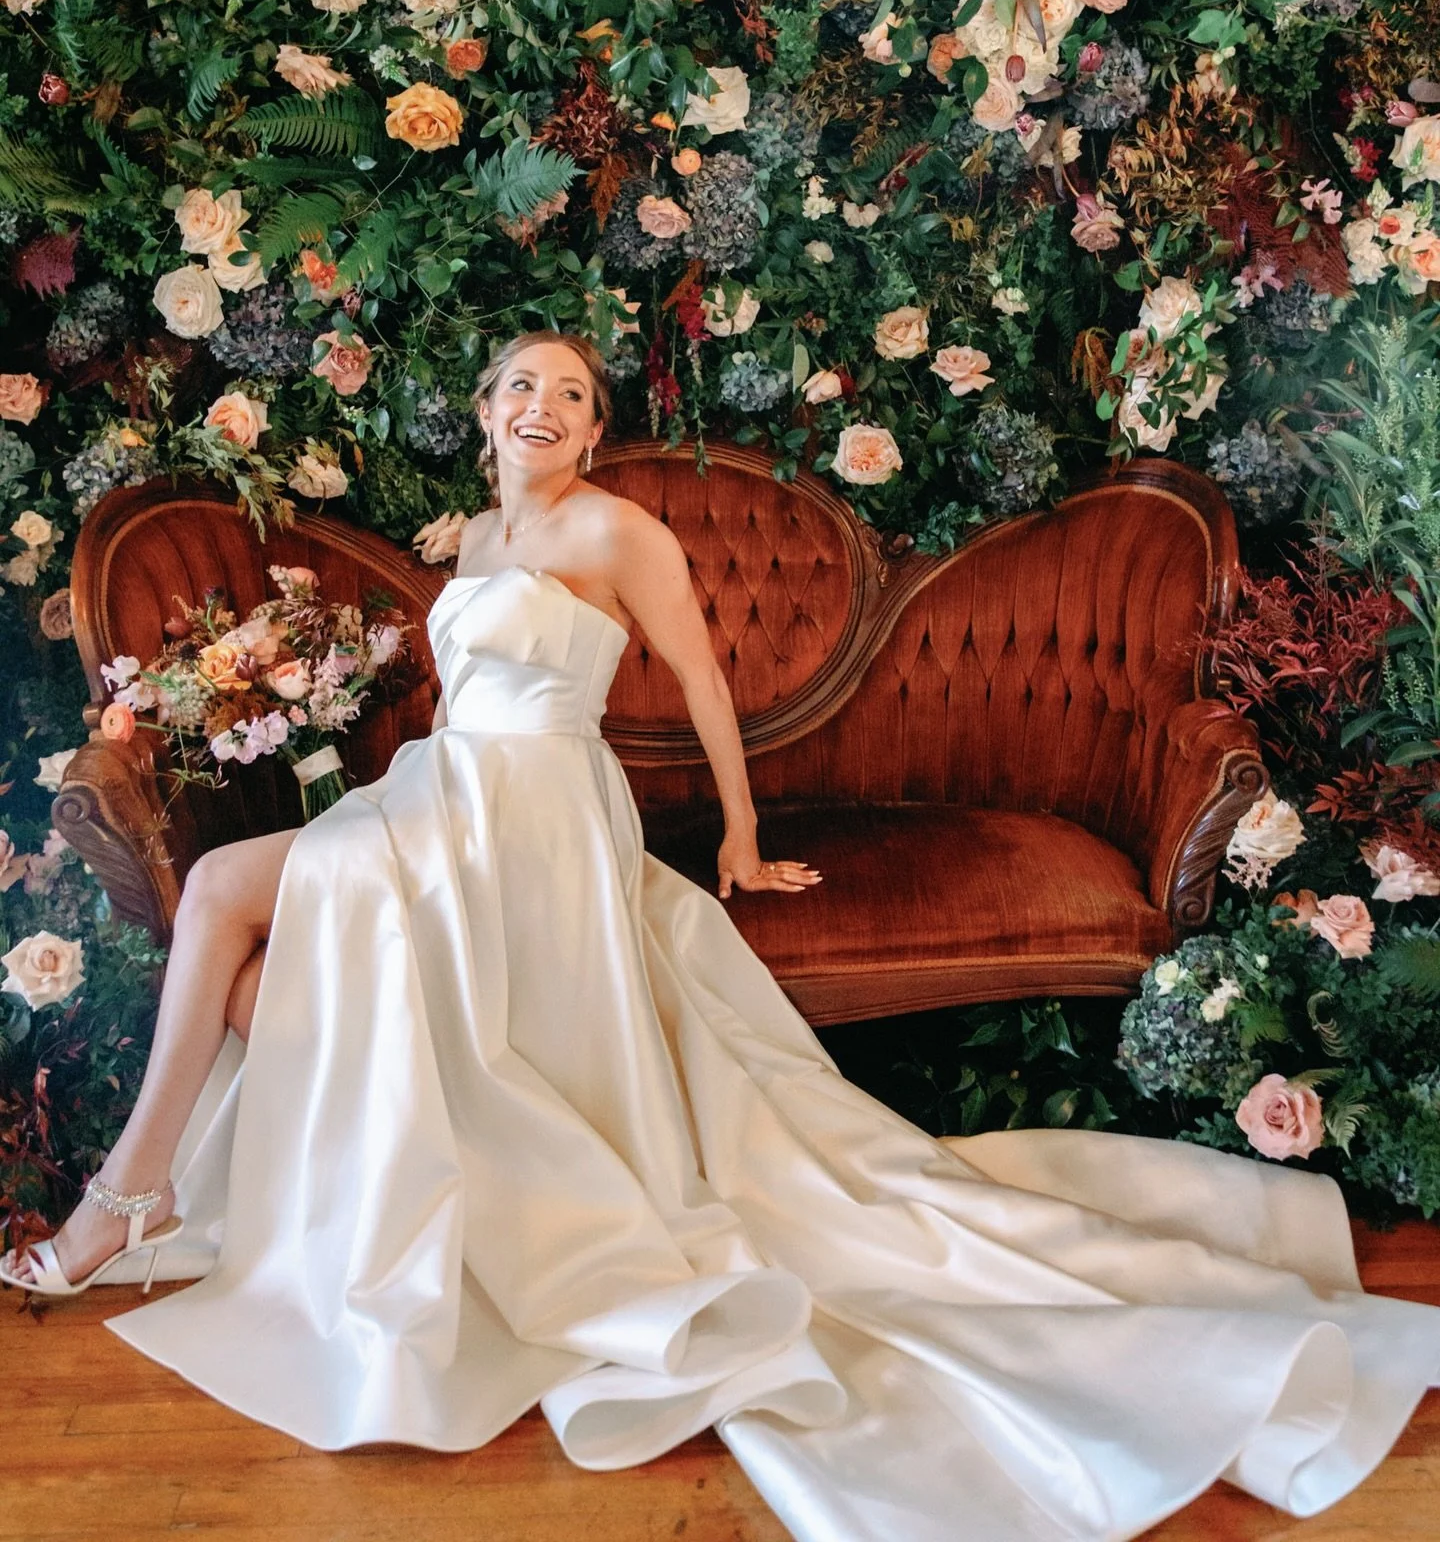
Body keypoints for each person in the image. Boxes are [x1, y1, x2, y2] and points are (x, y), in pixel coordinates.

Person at [4, 329, 1438, 1542]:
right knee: (231, 911)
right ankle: (179, 1187)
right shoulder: (483, 537)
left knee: (225, 906)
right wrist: (389, 791)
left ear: (595, 429)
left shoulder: (616, 530)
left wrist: (743, 840)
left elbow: (699, 683)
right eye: (522, 386)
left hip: (541, 819)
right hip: (440, 800)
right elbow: (461, 698)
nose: (544, 410)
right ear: (486, 411)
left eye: (573, 395)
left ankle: (127, 1200)